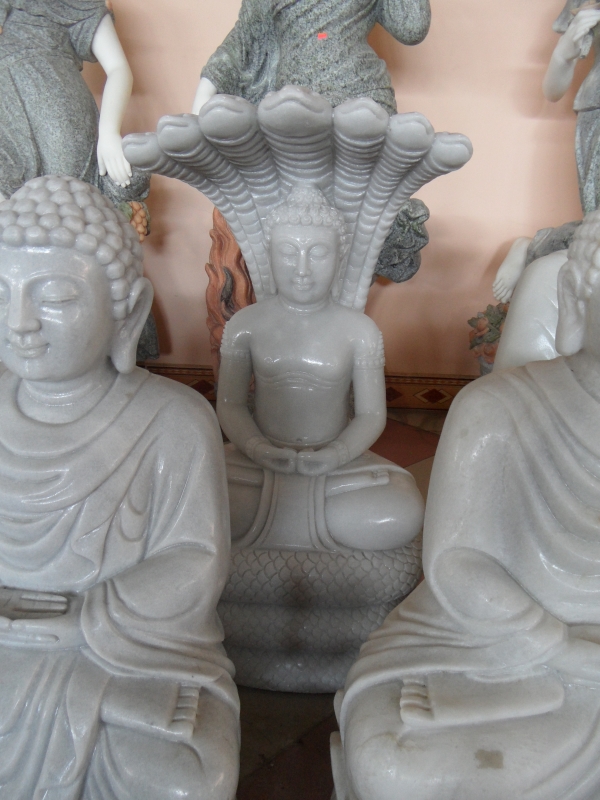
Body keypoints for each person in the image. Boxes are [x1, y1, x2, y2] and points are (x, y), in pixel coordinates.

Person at [333, 208, 600, 800]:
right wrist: (559, 646)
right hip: (488, 640)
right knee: (395, 763)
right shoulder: (497, 409)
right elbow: (457, 563)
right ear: (578, 299)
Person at [0, 175, 239, 799]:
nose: (19, 323)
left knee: (185, 779)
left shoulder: (174, 420)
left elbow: (196, 561)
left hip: (124, 654)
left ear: (128, 310)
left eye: (55, 296)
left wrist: (87, 617)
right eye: (1, 292)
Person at [217, 185, 424, 551]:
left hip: (337, 464)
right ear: (269, 256)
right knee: (197, 491)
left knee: (401, 507)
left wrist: (336, 454)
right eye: (287, 252)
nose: (301, 269)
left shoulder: (360, 331)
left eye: (318, 253)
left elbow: (371, 415)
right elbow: (230, 405)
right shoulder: (244, 325)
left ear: (339, 258)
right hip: (257, 461)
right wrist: (258, 448)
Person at [193, 0, 431, 116]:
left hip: (361, 93)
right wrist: (205, 91)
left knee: (360, 190)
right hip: (290, 103)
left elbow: (411, 28)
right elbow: (247, 35)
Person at [0, 0, 136, 199]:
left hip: (54, 104)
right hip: (5, 113)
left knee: (69, 192)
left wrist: (109, 133)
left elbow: (118, 68)